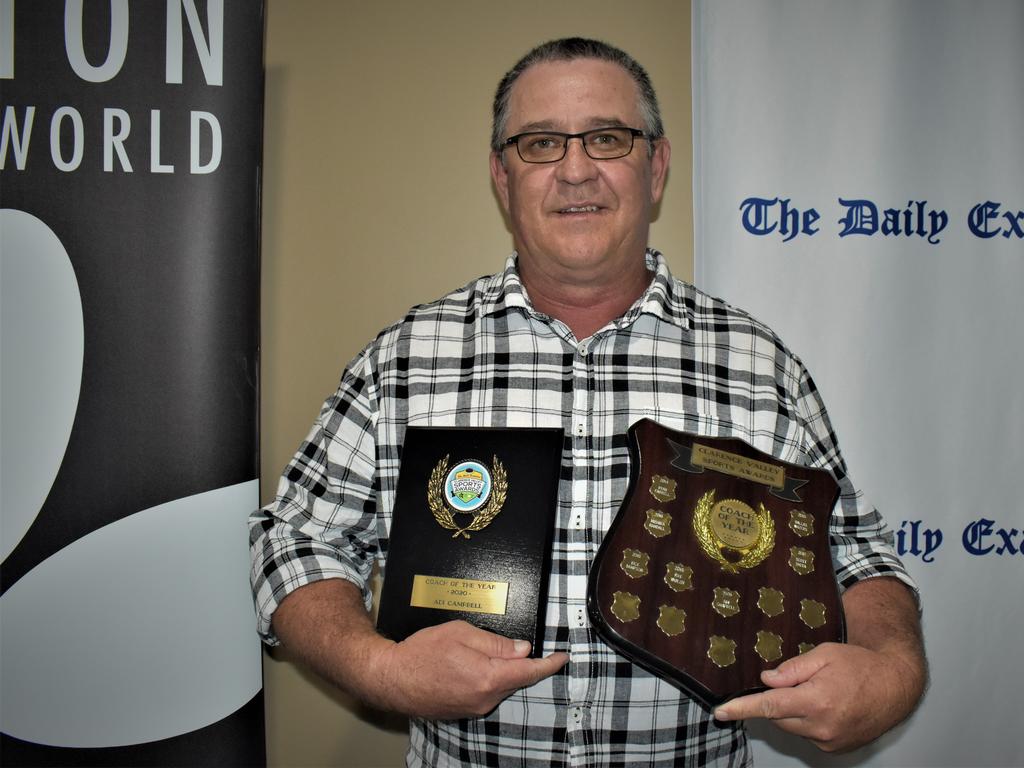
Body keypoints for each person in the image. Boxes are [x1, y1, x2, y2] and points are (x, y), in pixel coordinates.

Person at [250, 37, 926, 766]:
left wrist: (891, 671)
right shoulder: (408, 359)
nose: (576, 171)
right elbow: (293, 541)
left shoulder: (759, 366)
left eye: (607, 138)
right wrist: (384, 669)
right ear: (502, 177)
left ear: (656, 166)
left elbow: (853, 555)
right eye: (541, 143)